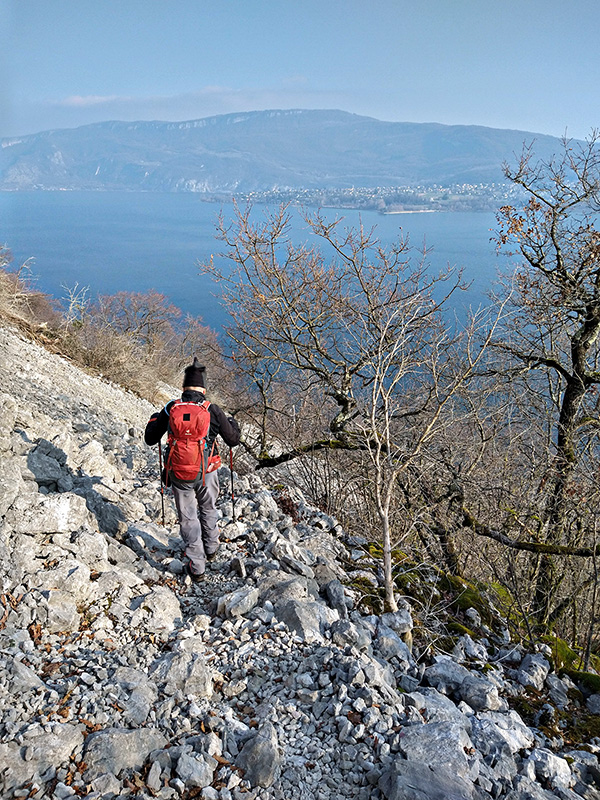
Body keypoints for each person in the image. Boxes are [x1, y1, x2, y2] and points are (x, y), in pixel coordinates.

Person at [144, 358, 240, 582]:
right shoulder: (212, 410)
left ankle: (197, 567)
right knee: (208, 507)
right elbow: (233, 440)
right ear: (203, 388)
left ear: (183, 387)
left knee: (188, 517)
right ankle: (212, 548)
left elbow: (150, 438)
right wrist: (233, 423)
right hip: (207, 471)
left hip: (179, 473)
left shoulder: (171, 408)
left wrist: (155, 420)